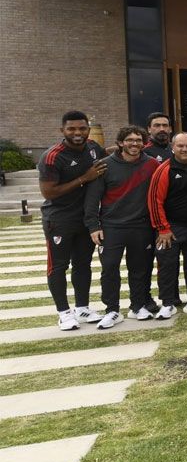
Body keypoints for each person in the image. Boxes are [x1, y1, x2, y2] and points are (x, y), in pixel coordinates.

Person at [84, 125, 159, 328]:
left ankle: (137, 306)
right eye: (130, 140)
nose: (134, 144)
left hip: (141, 227)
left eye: (138, 140)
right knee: (109, 269)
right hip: (111, 227)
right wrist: (93, 226)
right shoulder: (104, 165)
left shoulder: (152, 164)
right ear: (120, 142)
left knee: (140, 269)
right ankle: (112, 310)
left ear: (144, 143)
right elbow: (92, 199)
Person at [38, 110, 107, 330]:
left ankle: (82, 308)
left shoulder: (93, 148)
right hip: (59, 219)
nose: (77, 133)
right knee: (58, 266)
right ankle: (63, 313)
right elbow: (49, 192)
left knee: (82, 264)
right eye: (71, 129)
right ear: (62, 130)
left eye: (82, 128)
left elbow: (108, 160)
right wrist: (84, 178)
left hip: (85, 218)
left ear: (88, 129)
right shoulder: (52, 156)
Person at [148, 132, 187, 317]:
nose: (185, 149)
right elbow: (155, 201)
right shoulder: (164, 169)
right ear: (172, 147)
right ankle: (167, 303)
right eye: (180, 146)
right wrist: (162, 228)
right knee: (167, 266)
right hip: (171, 228)